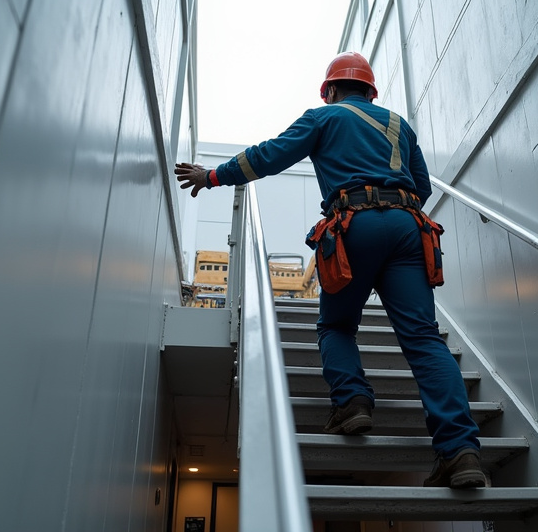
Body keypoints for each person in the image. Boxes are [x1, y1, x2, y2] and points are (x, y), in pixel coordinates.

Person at [175, 52, 486, 488]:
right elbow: (422, 185)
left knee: (337, 327)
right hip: (408, 229)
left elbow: (270, 155)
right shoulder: (399, 125)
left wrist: (212, 177)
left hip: (351, 226)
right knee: (423, 339)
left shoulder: (323, 117)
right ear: (370, 91)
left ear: (332, 89)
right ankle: (461, 452)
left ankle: (353, 401)